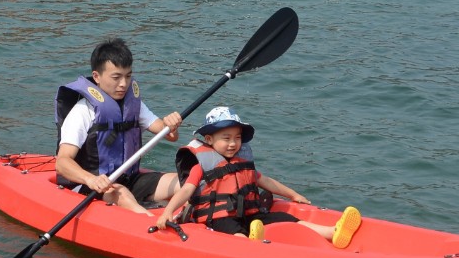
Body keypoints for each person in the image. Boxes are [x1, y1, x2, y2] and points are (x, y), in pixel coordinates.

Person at [153, 106, 361, 248]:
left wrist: (293, 195)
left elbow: (264, 181)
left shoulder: (241, 160)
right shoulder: (202, 164)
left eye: (237, 138)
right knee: (233, 231)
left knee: (286, 219)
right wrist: (168, 212)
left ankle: (332, 232)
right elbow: (187, 190)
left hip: (249, 215)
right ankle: (250, 246)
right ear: (209, 139)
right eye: (226, 138)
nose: (233, 143)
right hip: (219, 219)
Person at [54, 38, 184, 214]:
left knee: (183, 182)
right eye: (116, 77)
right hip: (91, 188)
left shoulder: (133, 105)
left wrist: (170, 125)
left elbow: (169, 136)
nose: (123, 84)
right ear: (96, 77)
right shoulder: (83, 111)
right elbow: (62, 162)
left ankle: (192, 217)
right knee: (120, 192)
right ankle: (150, 226)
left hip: (129, 179)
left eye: (128, 76)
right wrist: (90, 179)